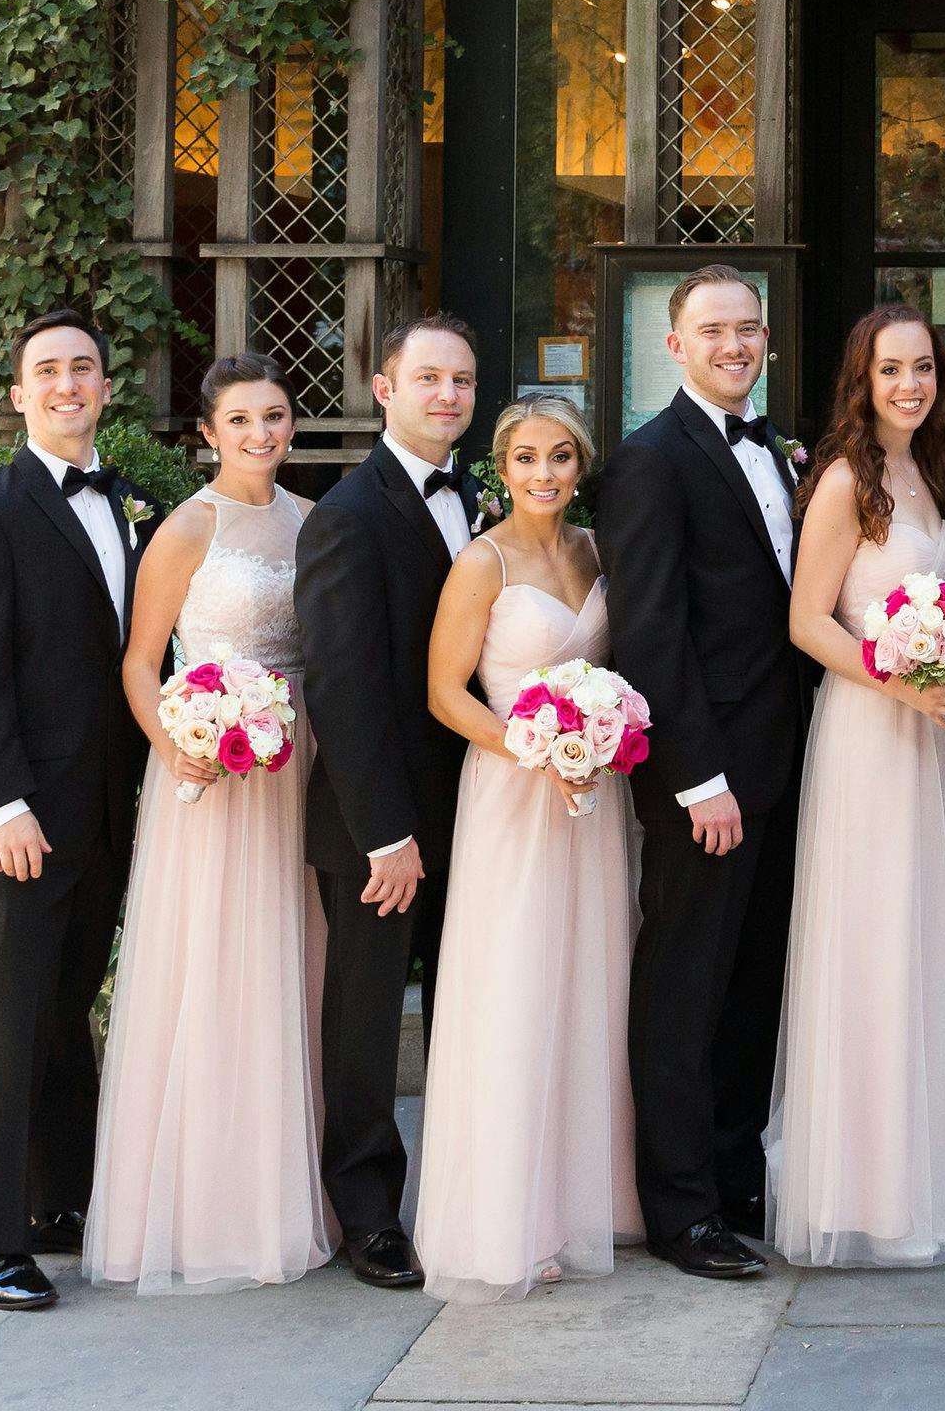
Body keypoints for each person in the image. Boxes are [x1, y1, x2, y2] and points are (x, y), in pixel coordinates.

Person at [83, 356, 330, 1294]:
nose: (259, 434)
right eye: (240, 420)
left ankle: (284, 1194)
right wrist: (176, 741)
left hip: (296, 764)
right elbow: (142, 662)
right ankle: (199, 1208)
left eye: (273, 416)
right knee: (212, 967)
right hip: (209, 773)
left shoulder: (313, 523)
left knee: (289, 970)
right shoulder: (188, 529)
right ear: (209, 434)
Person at [0, 310, 152, 1311]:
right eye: (47, 371)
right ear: (18, 394)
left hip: (104, 813)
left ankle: (63, 1204)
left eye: (84, 369)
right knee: (10, 1027)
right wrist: (0, 807)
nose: (68, 384)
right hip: (18, 822)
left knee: (67, 1017)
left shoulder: (136, 506)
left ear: (106, 388)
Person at [605, 265, 813, 1283]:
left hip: (779, 768)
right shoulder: (649, 461)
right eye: (713, 330)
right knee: (684, 996)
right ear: (675, 345)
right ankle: (681, 1209)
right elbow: (652, 634)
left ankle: (733, 1185)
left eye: (748, 328)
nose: (735, 344)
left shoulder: (775, 448)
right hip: (708, 782)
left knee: (749, 991)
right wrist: (697, 780)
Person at [767, 307, 945, 1268]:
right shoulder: (846, 481)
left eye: (924, 367)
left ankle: (920, 1170)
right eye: (891, 369)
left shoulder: (929, 475)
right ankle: (860, 1188)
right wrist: (901, 680)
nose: (910, 384)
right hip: (866, 731)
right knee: (871, 940)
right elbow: (808, 622)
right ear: (861, 379)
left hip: (930, 738)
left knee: (924, 939)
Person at [414, 398, 641, 1298]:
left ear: (579, 466)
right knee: (516, 987)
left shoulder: (592, 551)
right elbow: (445, 693)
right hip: (515, 794)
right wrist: (538, 750)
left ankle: (582, 1200)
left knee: (588, 983)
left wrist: (599, 745)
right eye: (524, 460)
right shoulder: (482, 562)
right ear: (499, 469)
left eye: (558, 458)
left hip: (594, 800)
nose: (543, 475)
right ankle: (505, 1217)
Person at [294, 314, 483, 1292]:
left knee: (465, 1011)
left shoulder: (479, 501)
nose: (447, 396)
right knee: (365, 1026)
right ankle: (367, 1213)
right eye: (428, 380)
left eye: (461, 381)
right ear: (383, 389)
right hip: (382, 827)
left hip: (475, 815)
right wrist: (386, 834)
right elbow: (344, 689)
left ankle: (459, 1195)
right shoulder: (345, 515)